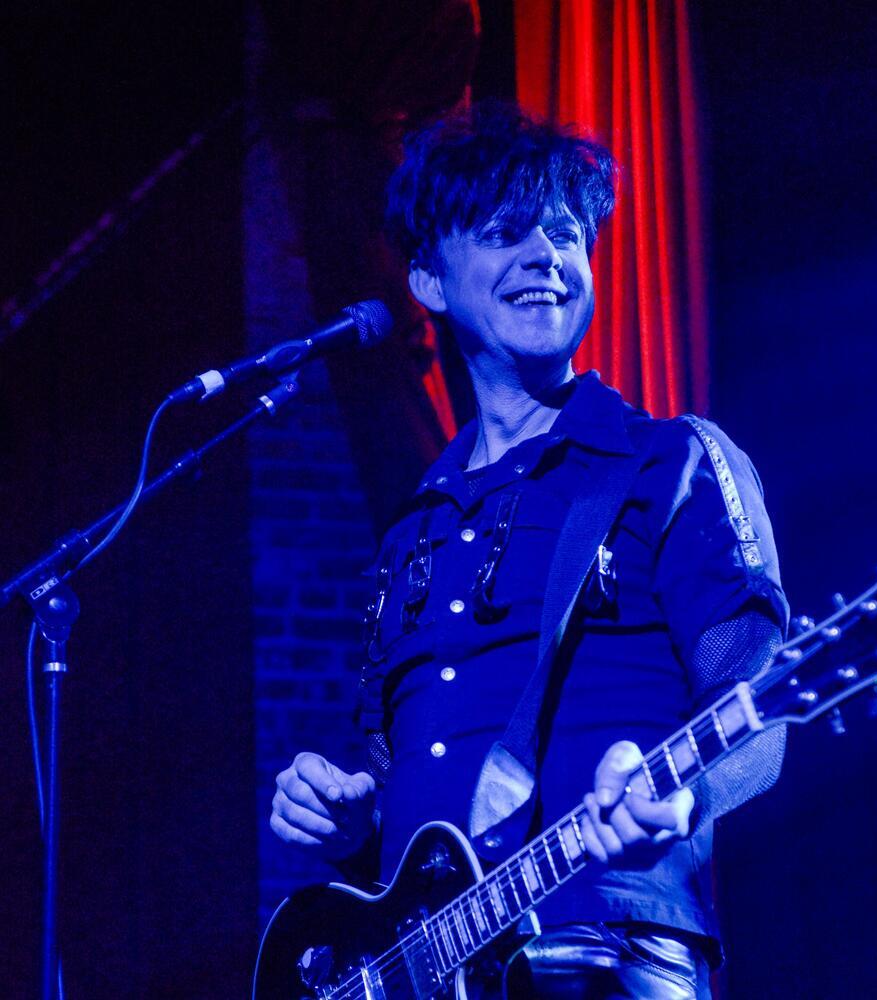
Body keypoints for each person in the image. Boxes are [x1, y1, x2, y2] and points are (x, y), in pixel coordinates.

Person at [269, 102, 788, 999]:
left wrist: (685, 798)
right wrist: (352, 823)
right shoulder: (412, 531)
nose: (546, 255)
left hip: (612, 953)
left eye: (565, 233)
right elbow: (406, 817)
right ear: (428, 279)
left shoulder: (670, 464)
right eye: (506, 232)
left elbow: (761, 707)